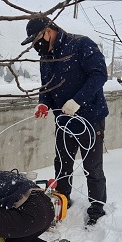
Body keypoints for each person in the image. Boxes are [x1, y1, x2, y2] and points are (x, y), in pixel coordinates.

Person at [21, 16, 108, 227]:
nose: (36, 45)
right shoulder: (46, 57)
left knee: (92, 167)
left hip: (90, 118)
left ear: (48, 31)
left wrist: (77, 101)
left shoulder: (81, 45)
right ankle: (63, 200)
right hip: (63, 120)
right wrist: (43, 103)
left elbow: (100, 75)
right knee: (62, 163)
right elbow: (46, 87)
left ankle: (97, 209)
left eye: (37, 39)